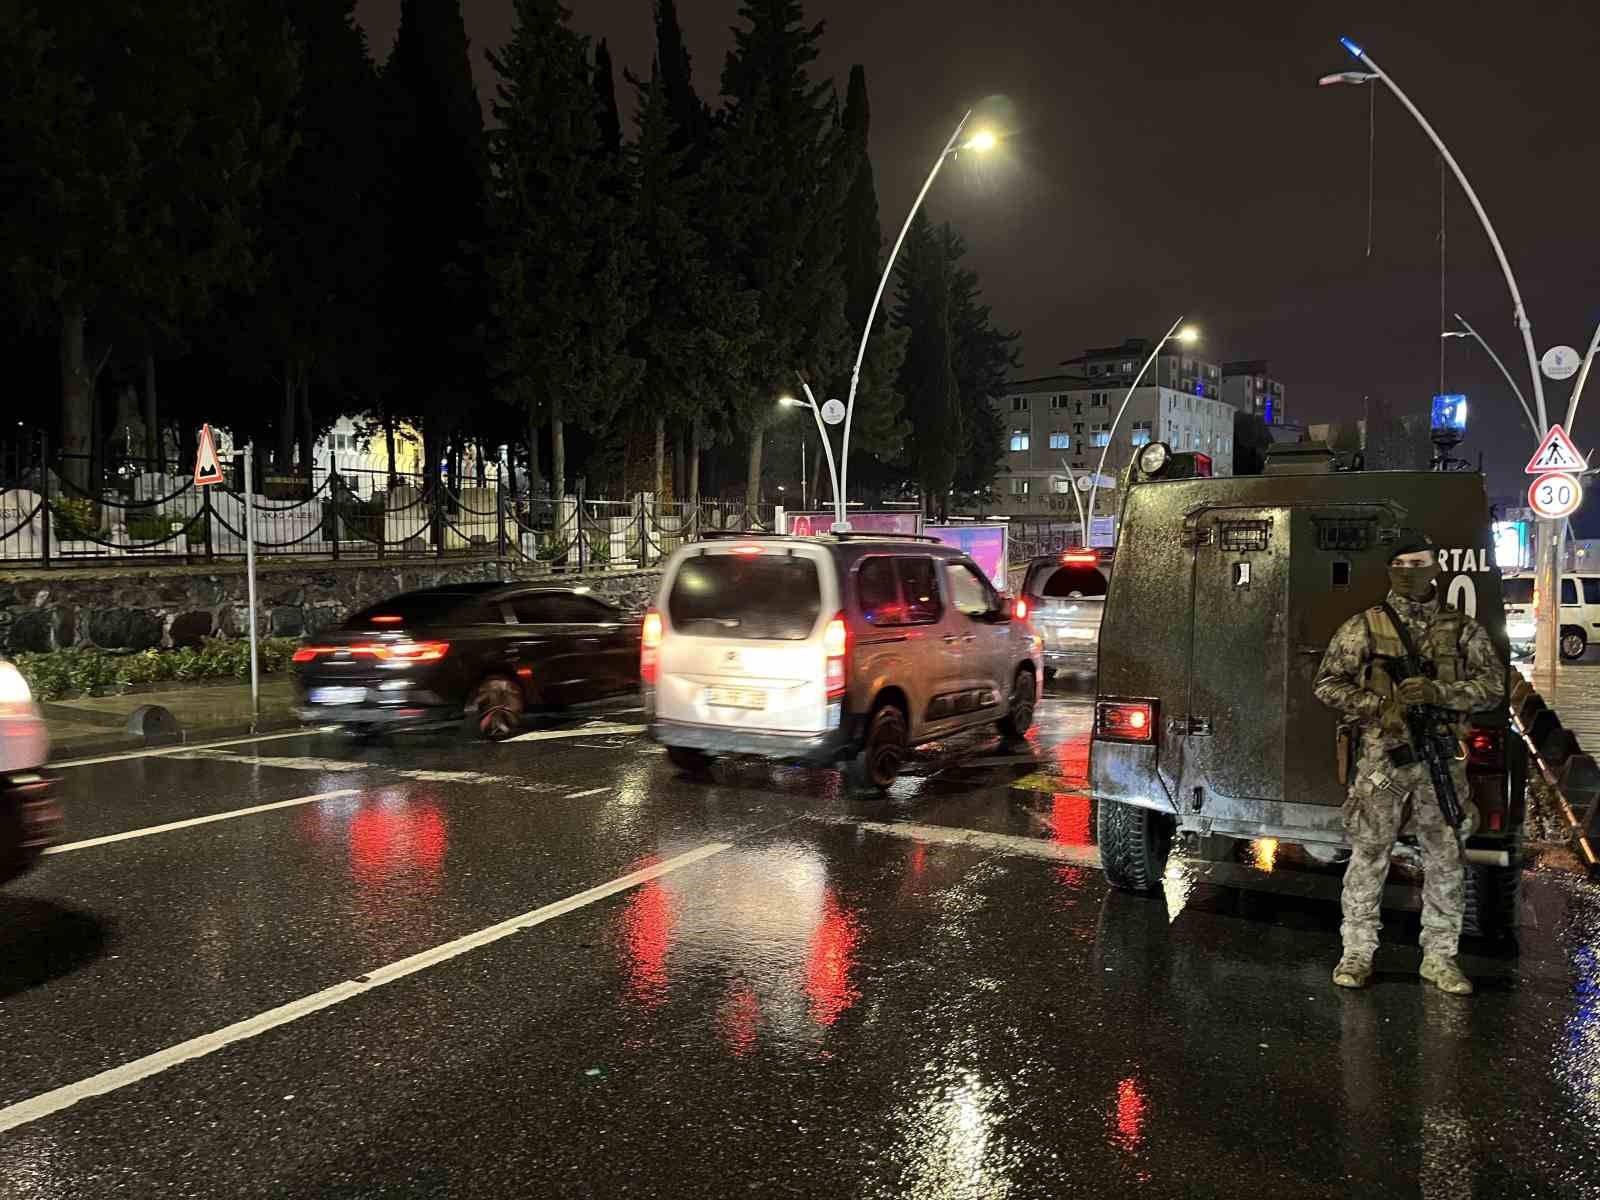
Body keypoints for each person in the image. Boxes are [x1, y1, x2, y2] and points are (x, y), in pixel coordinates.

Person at [1313, 530, 1502, 995]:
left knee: (1446, 857)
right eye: (1404, 564)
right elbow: (1327, 683)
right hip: (1385, 762)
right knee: (1369, 852)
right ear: (1392, 571)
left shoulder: (1462, 629)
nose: (1413, 571)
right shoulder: (1365, 626)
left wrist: (1441, 692)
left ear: (1436, 567)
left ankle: (1440, 959)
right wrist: (1381, 707)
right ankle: (1356, 954)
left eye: (1422, 562)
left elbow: (1494, 686)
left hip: (1440, 759)